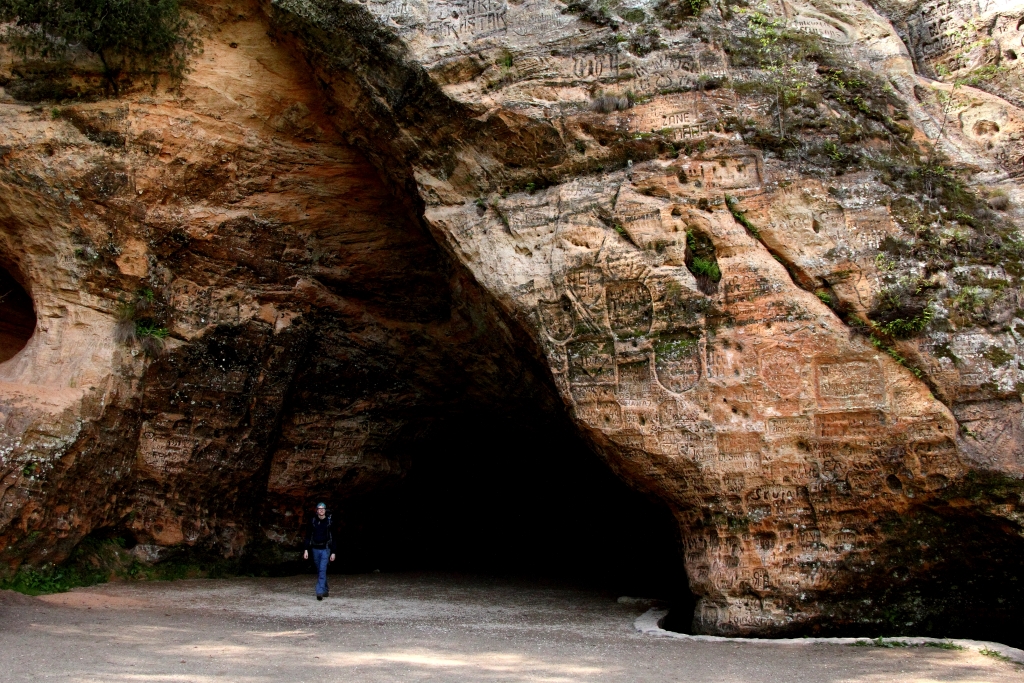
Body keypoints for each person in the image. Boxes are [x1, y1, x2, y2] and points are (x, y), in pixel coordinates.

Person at [302, 502, 336, 600]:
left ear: (325, 510)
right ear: (316, 510)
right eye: (319, 509)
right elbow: (308, 536)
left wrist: (333, 552)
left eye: (323, 509)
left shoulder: (330, 522)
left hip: (325, 549)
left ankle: (319, 591)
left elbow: (334, 538)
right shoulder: (313, 521)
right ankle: (325, 589)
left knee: (322, 569)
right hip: (315, 549)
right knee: (319, 570)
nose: (321, 510)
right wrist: (306, 550)